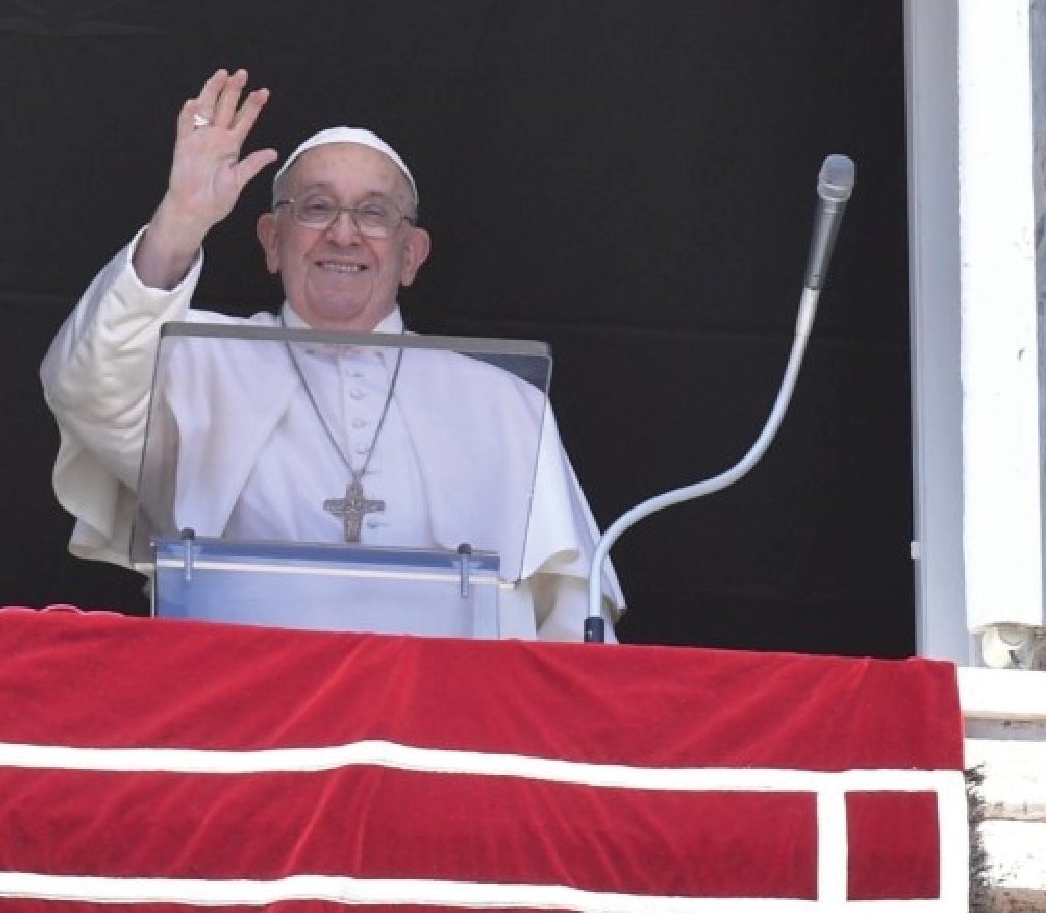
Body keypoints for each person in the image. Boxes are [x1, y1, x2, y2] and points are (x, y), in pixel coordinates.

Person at [41, 69, 620, 641]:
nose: (344, 235)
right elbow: (87, 387)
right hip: (244, 714)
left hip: (446, 721)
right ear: (272, 240)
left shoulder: (504, 404)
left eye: (373, 213)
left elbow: (571, 613)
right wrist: (182, 219)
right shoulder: (196, 359)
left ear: (412, 255)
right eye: (316, 208)